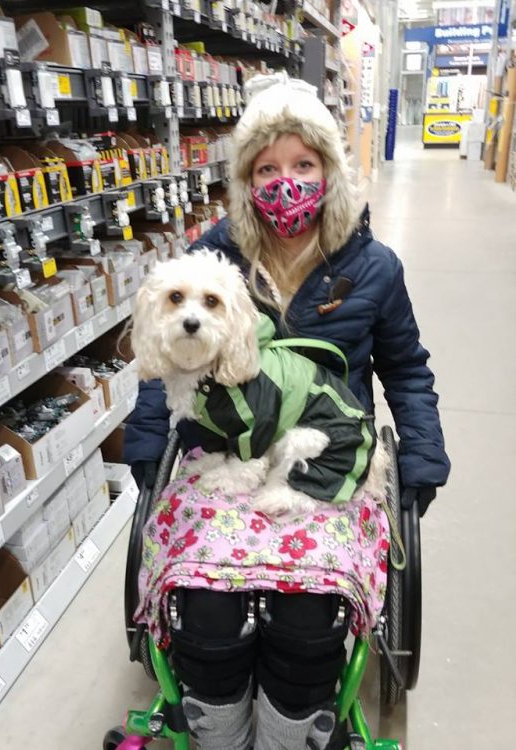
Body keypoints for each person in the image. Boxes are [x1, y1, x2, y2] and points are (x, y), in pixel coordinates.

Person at [125, 73, 450, 750]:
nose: (286, 181)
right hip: (219, 450)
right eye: (267, 168)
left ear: (330, 170)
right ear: (246, 179)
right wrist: (146, 441)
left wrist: (419, 460)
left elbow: (407, 369)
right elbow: (171, 350)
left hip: (325, 456)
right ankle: (219, 727)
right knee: (208, 609)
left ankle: (288, 732)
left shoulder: (375, 267)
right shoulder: (214, 256)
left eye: (304, 164)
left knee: (305, 618)